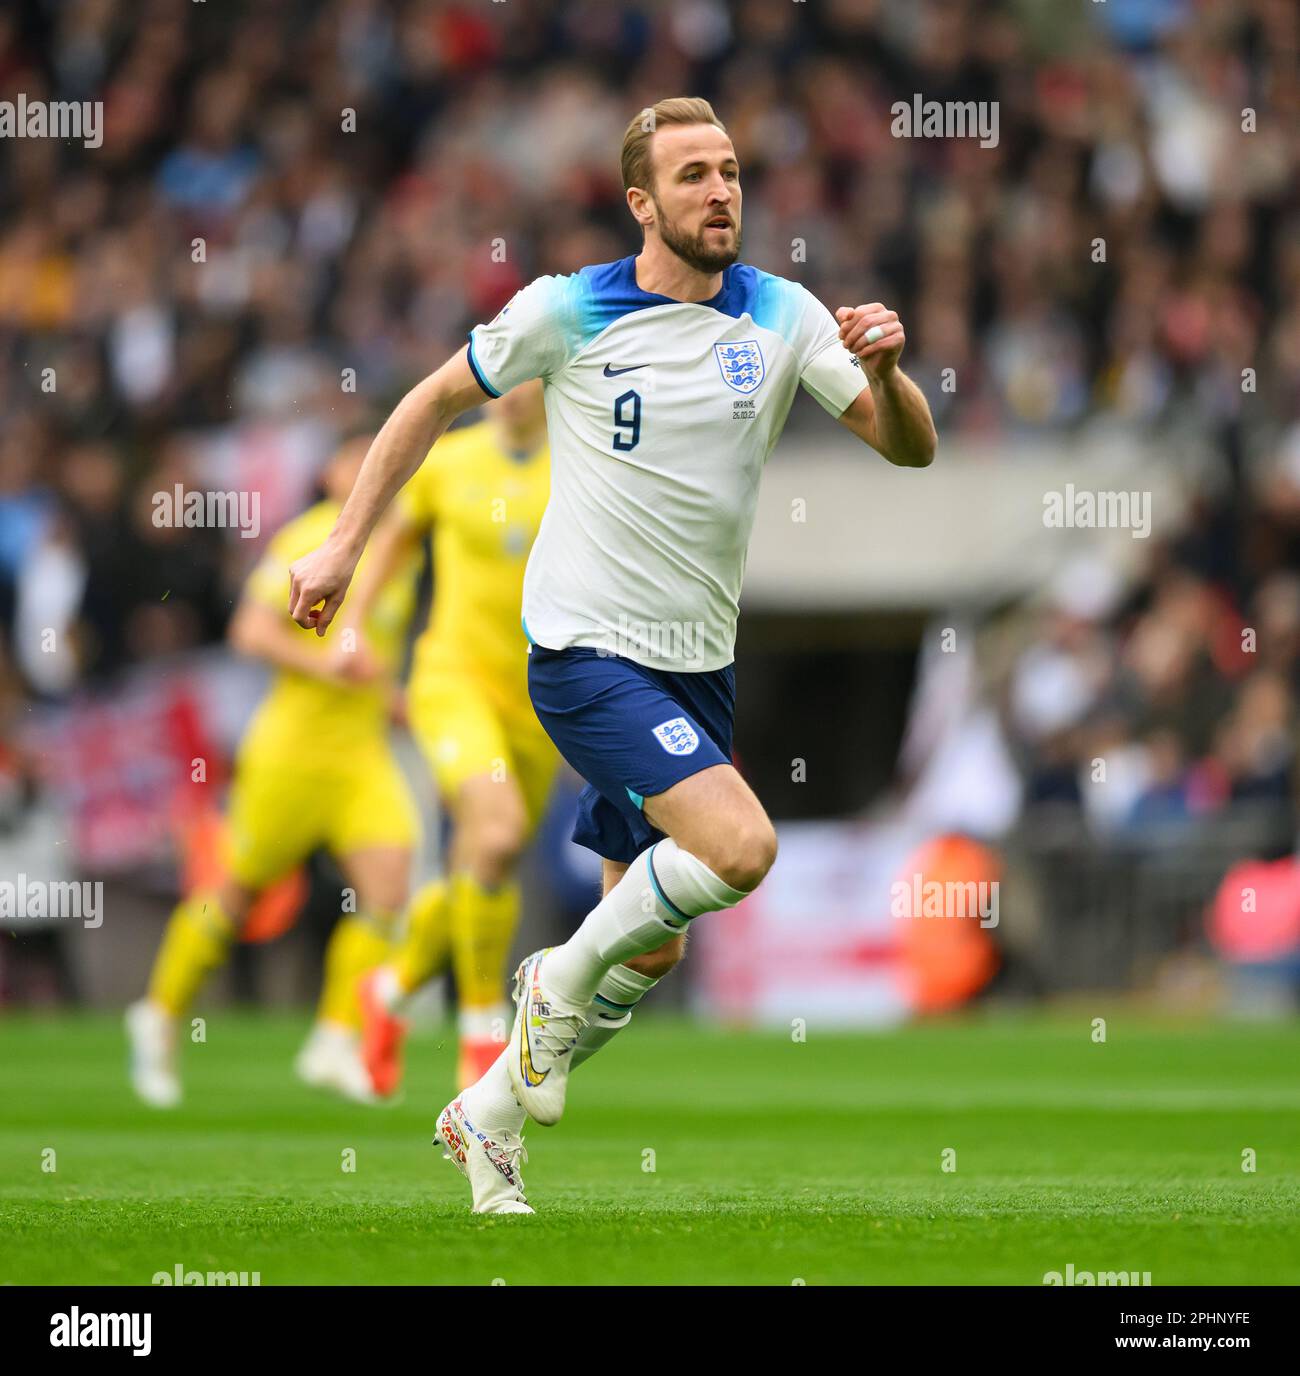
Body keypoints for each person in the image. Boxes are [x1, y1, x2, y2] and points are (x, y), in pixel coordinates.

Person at [286, 97, 937, 1212]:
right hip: (586, 652)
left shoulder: (781, 314)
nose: (721, 191)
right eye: (692, 176)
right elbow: (430, 399)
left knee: (653, 951)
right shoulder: (570, 310)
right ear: (641, 202)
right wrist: (345, 545)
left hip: (696, 667)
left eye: (730, 170)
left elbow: (908, 450)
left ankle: (485, 1115)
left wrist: (882, 371)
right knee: (738, 846)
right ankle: (552, 975)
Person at [127, 434, 420, 1107]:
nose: (372, 466)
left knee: (388, 889)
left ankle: (333, 1040)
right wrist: (330, 669)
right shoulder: (312, 535)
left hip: (361, 754)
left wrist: (394, 700)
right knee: (236, 894)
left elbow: (369, 658)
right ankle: (160, 1014)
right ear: (330, 471)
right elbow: (248, 633)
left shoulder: (399, 546)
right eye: (357, 455)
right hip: (291, 750)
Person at [346, 380, 562, 1095]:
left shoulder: (583, 461)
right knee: (495, 836)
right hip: (452, 680)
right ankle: (482, 1037)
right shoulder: (448, 461)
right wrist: (355, 624)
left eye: (528, 373)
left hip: (540, 699)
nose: (509, 390)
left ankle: (389, 994)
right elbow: (393, 544)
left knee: (479, 863)